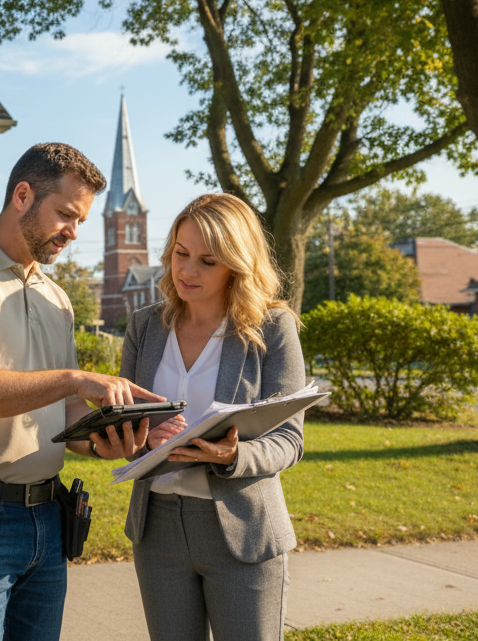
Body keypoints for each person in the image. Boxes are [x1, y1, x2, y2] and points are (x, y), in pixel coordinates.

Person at [0, 142, 160, 641]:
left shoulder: (56, 298)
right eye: (66, 214)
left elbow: (63, 412)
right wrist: (74, 379)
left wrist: (103, 439)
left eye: (81, 221)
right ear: (22, 195)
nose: (73, 232)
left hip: (48, 518)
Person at [121, 192, 306, 641]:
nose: (186, 271)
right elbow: (125, 422)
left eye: (208, 261)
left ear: (237, 265)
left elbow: (289, 440)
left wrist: (233, 455)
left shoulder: (271, 328)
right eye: (181, 254)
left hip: (241, 529)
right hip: (157, 529)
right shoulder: (144, 327)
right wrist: (133, 437)